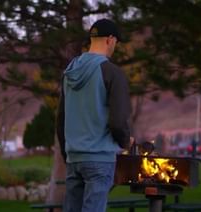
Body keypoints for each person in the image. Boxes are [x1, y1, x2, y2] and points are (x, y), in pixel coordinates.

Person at [56, 19, 132, 212]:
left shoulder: (69, 73)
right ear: (110, 40)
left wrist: (68, 154)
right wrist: (125, 142)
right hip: (99, 159)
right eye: (116, 42)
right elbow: (117, 121)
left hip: (74, 158)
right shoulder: (112, 73)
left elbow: (61, 119)